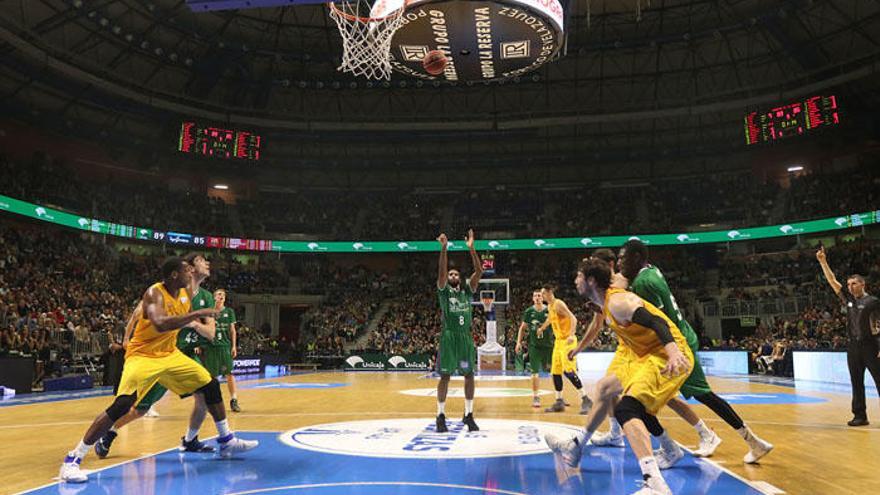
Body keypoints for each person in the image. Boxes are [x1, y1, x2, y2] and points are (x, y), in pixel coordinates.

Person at [59, 257, 257, 483]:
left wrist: (204, 298)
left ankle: (226, 440)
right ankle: (73, 460)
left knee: (210, 385)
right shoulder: (154, 293)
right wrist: (194, 316)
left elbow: (196, 293)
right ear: (174, 275)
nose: (190, 272)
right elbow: (161, 323)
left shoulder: (185, 293)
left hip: (170, 354)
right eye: (186, 270)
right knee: (124, 404)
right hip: (142, 355)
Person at [545, 257, 693, 495]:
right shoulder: (603, 301)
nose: (575, 280)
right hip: (643, 353)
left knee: (628, 409)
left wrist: (673, 351)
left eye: (579, 276)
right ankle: (576, 448)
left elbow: (655, 321)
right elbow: (598, 322)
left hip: (667, 354)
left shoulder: (618, 301)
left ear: (592, 280)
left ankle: (655, 482)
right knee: (605, 389)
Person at [616, 239, 772, 464]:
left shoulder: (643, 284)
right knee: (667, 395)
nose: (620, 263)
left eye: (623, 258)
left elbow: (655, 321)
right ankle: (719, 437)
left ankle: (680, 447)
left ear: (637, 258)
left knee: (649, 396)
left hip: (675, 346)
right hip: (682, 338)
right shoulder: (652, 272)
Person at [95, 253, 219, 458]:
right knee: (140, 409)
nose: (207, 263)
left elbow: (211, 334)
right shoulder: (167, 289)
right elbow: (139, 312)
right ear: (189, 268)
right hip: (160, 354)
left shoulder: (206, 296)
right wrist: (127, 337)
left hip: (185, 354)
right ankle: (110, 432)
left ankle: (191, 439)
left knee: (206, 394)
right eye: (201, 261)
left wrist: (194, 323)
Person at [816, 245, 880, 426]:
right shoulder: (849, 300)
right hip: (853, 347)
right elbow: (832, 281)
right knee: (856, 382)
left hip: (872, 346)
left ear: (863, 284)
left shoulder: (873, 302)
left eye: (854, 284)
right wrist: (823, 262)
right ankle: (860, 415)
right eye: (849, 284)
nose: (850, 287)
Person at [435, 229, 482, 433]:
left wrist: (472, 249)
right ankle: (440, 415)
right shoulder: (444, 291)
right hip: (449, 337)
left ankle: (468, 414)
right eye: (451, 274)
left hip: (465, 338)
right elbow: (441, 273)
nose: (453, 275)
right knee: (445, 376)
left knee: (469, 375)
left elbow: (479, 271)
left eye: (456, 274)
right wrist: (444, 249)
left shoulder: (467, 290)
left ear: (460, 278)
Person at [539, 284, 591, 414]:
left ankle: (586, 399)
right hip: (558, 342)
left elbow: (573, 318)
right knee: (555, 372)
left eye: (543, 293)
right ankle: (559, 401)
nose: (542, 296)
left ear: (550, 292)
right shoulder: (550, 306)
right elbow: (550, 319)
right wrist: (542, 328)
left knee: (568, 371)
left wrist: (572, 334)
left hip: (568, 341)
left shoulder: (558, 304)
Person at [515, 290, 553, 408]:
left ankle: (559, 397)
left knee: (555, 372)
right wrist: (518, 342)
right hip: (534, 347)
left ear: (543, 298)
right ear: (532, 298)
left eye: (539, 296)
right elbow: (522, 328)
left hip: (549, 346)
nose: (537, 297)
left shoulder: (549, 310)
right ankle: (536, 397)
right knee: (535, 373)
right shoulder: (529, 311)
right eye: (535, 295)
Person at [208, 289, 240, 412]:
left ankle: (234, 400)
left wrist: (233, 346)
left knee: (230, 374)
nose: (221, 296)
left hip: (225, 347)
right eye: (218, 294)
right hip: (211, 347)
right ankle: (213, 402)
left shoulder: (229, 312)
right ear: (213, 298)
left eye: (223, 295)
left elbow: (232, 330)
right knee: (212, 377)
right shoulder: (209, 312)